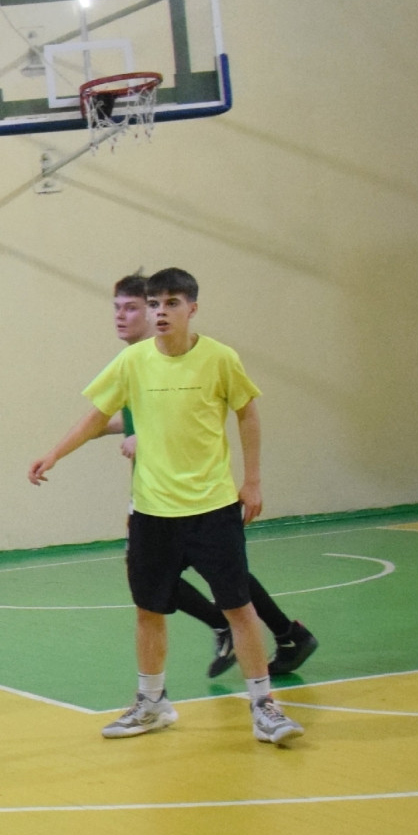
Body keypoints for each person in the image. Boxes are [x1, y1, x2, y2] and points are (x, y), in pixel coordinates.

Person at [28, 269, 304, 745]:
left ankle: (264, 708)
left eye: (172, 303)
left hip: (213, 508)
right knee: (148, 610)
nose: (161, 312)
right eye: (154, 303)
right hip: (153, 514)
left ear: (192, 309)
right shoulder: (132, 361)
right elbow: (96, 416)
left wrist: (253, 481)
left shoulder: (220, 358)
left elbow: (247, 412)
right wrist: (54, 453)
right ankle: (152, 703)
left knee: (238, 608)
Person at [102, 276, 318, 679]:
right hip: (155, 489)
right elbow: (130, 416)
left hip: (194, 490)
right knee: (181, 570)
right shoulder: (135, 361)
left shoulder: (183, 357)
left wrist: (251, 480)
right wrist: (82, 436)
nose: (121, 316)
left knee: (211, 573)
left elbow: (204, 414)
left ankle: (244, 635)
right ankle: (282, 633)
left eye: (132, 307)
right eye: (117, 308)